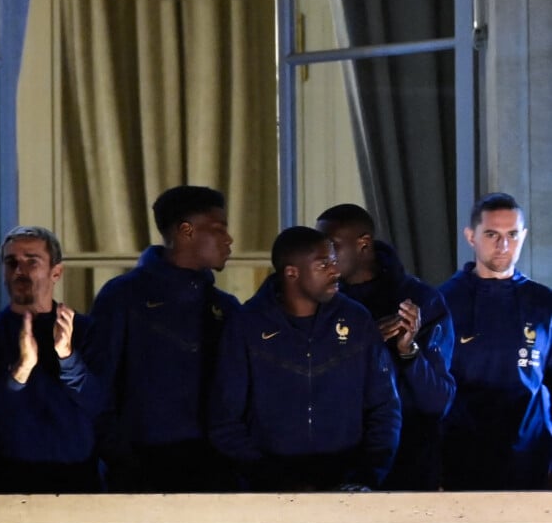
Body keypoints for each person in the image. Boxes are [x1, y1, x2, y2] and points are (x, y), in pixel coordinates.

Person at [208, 226, 401, 492]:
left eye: (334, 262)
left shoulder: (357, 320)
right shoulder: (246, 325)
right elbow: (225, 418)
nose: (336, 271)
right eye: (324, 265)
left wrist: (367, 475)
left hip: (349, 485)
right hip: (268, 491)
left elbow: (385, 406)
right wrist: (267, 477)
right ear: (292, 273)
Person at [88, 185, 240, 492]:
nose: (228, 239)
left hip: (215, 469)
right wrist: (119, 457)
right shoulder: (124, 297)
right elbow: (97, 383)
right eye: (218, 228)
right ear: (187, 231)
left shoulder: (225, 307)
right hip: (140, 468)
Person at [316, 204, 455, 490]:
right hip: (332, 465)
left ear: (363, 244)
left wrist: (408, 352)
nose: (323, 257)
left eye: (331, 246)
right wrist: (363, 344)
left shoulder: (421, 301)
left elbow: (438, 402)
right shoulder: (315, 300)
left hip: (408, 466)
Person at [0, 226, 100, 493]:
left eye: (32, 261)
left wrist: (67, 357)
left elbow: (100, 404)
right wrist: (20, 371)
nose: (20, 270)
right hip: (2, 481)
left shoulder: (87, 331)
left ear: (56, 272)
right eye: (11, 262)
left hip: (77, 482)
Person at [439, 192, 552, 490]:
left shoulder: (543, 303)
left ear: (523, 236)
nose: (503, 245)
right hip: (460, 457)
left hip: (531, 456)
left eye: (512, 235)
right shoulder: (443, 302)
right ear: (471, 236)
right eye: (492, 234)